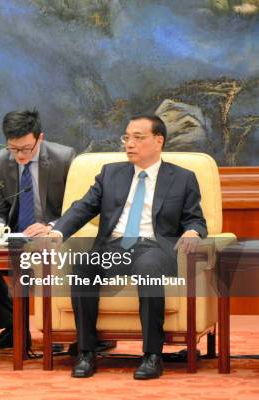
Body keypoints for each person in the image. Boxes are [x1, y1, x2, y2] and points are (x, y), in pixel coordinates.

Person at [49, 114, 207, 379]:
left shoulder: (182, 178)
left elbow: (195, 218)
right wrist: (57, 231)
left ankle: (152, 355)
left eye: (138, 137)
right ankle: (87, 352)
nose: (129, 144)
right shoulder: (111, 173)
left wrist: (192, 231)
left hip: (155, 248)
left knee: (147, 266)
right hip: (115, 248)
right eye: (126, 137)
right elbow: (84, 207)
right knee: (83, 267)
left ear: (159, 141)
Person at [0, 109, 76, 349]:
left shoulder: (64, 158)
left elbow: (75, 208)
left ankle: (55, 329)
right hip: (16, 237)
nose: (19, 155)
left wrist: (50, 227)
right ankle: (13, 327)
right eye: (13, 148)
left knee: (51, 258)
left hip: (52, 236)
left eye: (26, 149)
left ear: (39, 138)